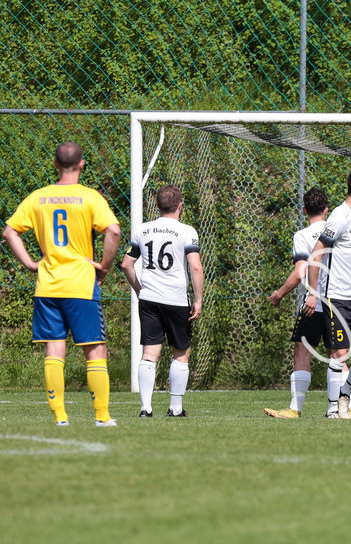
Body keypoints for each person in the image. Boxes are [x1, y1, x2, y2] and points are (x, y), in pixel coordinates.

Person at [2, 142, 121, 427]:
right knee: (94, 350)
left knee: (54, 351)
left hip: (48, 287)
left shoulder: (39, 197)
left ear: (55, 165)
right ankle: (102, 417)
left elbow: (9, 232)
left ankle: (60, 418)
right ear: (82, 165)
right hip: (80, 285)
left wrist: (31, 263)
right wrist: (104, 266)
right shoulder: (90, 198)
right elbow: (114, 231)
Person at [121, 185, 204, 417]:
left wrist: (139, 289)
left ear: (157, 207)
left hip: (149, 299)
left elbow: (126, 264)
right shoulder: (187, 231)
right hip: (177, 299)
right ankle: (175, 409)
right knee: (181, 352)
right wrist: (198, 300)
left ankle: (146, 409)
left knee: (149, 353)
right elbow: (195, 266)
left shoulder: (142, 230)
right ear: (180, 206)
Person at [263, 186, 347, 418]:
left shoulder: (302, 236)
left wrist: (280, 294)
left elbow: (301, 271)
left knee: (302, 353)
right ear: (327, 210)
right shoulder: (338, 232)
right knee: (339, 355)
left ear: (304, 210)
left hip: (313, 305)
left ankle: (295, 409)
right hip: (338, 303)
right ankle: (342, 409)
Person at [303, 168, 351, 419]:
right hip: (337, 297)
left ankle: (345, 391)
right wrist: (313, 294)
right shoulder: (339, 216)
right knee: (338, 354)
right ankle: (333, 409)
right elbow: (316, 253)